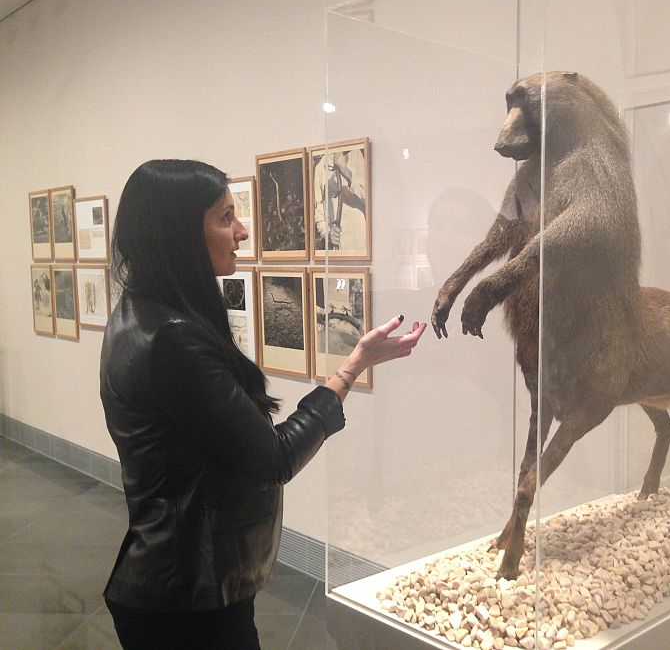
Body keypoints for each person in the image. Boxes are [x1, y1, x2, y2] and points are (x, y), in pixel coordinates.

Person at [100, 159, 426, 649]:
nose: (243, 231)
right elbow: (273, 458)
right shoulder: (172, 340)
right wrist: (350, 369)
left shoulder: (143, 312)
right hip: (186, 597)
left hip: (176, 579)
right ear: (180, 234)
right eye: (226, 217)